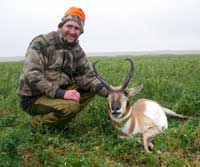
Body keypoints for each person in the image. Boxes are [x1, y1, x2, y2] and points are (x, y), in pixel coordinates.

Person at [17, 6, 108, 130]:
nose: (72, 31)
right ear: (61, 26)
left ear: (80, 32)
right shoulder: (42, 43)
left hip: (58, 93)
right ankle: (36, 125)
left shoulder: (77, 50)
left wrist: (112, 93)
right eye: (69, 26)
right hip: (34, 97)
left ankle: (59, 116)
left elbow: (88, 77)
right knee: (71, 107)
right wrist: (61, 94)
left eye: (77, 28)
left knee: (93, 87)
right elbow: (32, 75)